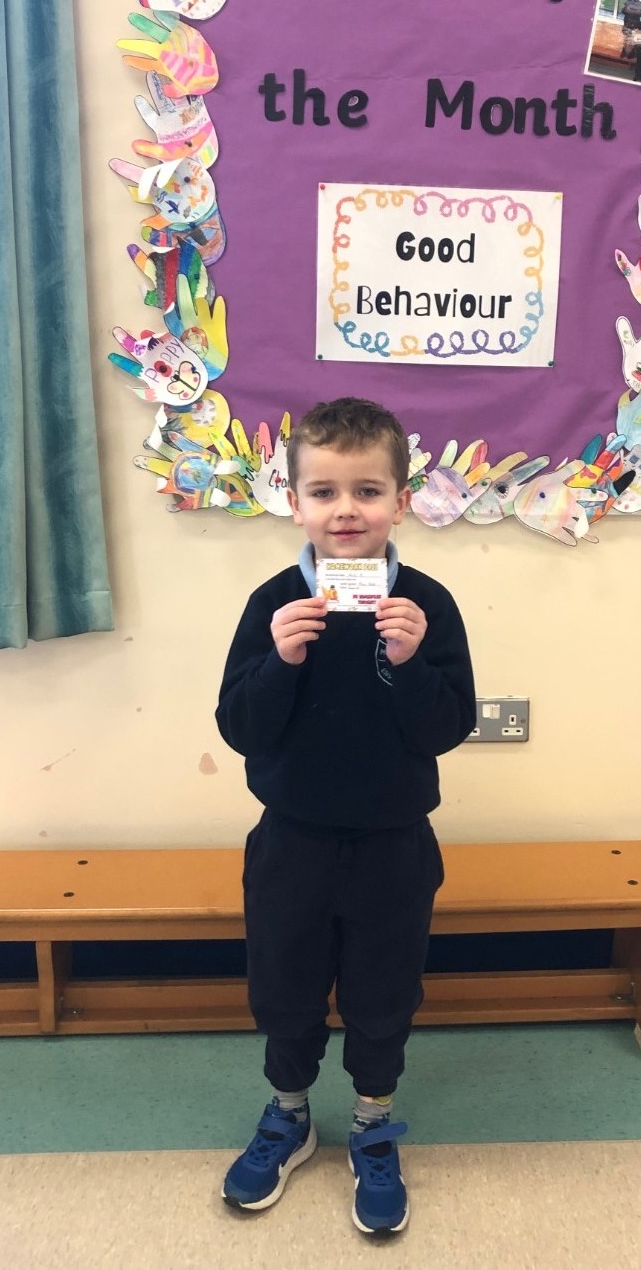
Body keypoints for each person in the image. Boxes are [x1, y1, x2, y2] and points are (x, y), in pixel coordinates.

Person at [215, 397, 476, 1237]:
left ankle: (372, 1120)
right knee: (282, 984)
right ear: (294, 502)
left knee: (384, 989)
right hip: (290, 841)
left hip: (394, 844)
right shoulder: (273, 602)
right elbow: (238, 727)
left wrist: (409, 662)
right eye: (323, 492)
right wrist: (280, 660)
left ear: (402, 500)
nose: (346, 510)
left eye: (367, 490)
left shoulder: (426, 604)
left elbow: (447, 728)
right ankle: (289, 1114)